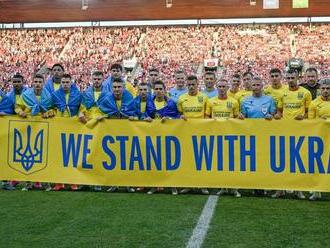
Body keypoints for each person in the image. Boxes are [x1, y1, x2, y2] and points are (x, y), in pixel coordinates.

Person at [273, 69, 312, 199]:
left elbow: (309, 113)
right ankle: (280, 189)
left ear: (297, 78)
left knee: (298, 161)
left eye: (292, 78)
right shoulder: (282, 93)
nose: (290, 80)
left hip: (300, 132)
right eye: (288, 78)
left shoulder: (305, 93)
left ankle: (298, 190)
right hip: (284, 132)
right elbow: (279, 111)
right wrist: (277, 116)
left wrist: (304, 116)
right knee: (282, 161)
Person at [15, 74, 54, 191]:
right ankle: (28, 183)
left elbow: (52, 108)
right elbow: (17, 106)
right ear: (32, 83)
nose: (37, 84)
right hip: (28, 127)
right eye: (36, 81)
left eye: (40, 82)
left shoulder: (48, 96)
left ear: (43, 83)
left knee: (43, 155)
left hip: (43, 128)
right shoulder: (26, 95)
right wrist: (19, 112)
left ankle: (46, 183)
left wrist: (50, 112)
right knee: (28, 154)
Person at [205, 79, 241, 197]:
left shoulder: (234, 102)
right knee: (220, 163)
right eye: (219, 86)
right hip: (216, 136)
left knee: (232, 163)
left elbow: (237, 118)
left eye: (223, 86)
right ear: (217, 87)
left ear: (227, 87)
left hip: (231, 136)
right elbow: (206, 118)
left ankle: (234, 188)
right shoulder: (210, 101)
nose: (221, 88)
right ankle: (222, 186)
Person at [146, 80, 180, 195]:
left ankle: (173, 186)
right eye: (156, 89)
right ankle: (155, 185)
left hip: (169, 136)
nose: (159, 91)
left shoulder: (171, 103)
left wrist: (170, 119)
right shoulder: (149, 103)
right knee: (154, 161)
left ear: (165, 90)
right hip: (153, 136)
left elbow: (177, 117)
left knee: (170, 161)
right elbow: (145, 115)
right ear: (153, 91)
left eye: (161, 89)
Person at [177, 75, 209, 195]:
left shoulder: (204, 98)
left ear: (197, 84)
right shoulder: (181, 98)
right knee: (187, 160)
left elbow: (207, 116)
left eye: (193, 84)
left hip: (201, 133)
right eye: (189, 84)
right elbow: (179, 114)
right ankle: (188, 185)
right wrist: (181, 117)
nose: (191, 87)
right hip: (186, 134)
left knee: (202, 160)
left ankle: (203, 185)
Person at [105, 78, 136, 193]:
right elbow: (101, 111)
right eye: (115, 87)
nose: (117, 89)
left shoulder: (130, 100)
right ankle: (114, 184)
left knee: (128, 159)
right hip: (112, 134)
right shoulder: (107, 100)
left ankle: (129, 184)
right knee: (113, 160)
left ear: (123, 88)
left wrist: (133, 117)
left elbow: (135, 112)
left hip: (128, 133)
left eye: (119, 87)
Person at [52, 74, 82, 191]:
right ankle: (59, 182)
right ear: (61, 83)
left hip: (73, 128)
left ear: (71, 83)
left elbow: (81, 108)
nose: (65, 84)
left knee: (72, 156)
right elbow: (51, 107)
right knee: (58, 156)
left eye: (67, 82)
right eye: (63, 82)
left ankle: (73, 182)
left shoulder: (77, 95)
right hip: (58, 128)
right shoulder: (55, 95)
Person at [307, 78, 330, 200]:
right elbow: (311, 122)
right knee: (318, 164)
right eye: (324, 89)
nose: (326, 91)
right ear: (320, 90)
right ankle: (316, 191)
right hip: (320, 139)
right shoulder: (314, 103)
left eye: (328, 89)